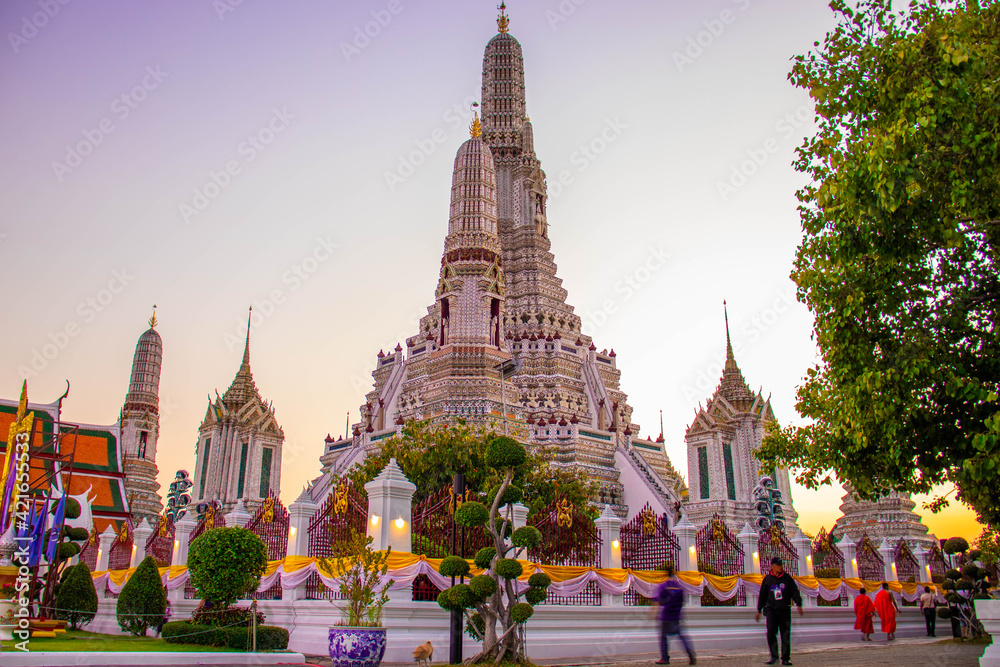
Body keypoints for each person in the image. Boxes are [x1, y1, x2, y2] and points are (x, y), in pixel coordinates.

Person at [755, 557, 803, 666]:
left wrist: (798, 603)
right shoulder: (767, 579)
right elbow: (763, 595)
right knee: (771, 633)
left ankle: (785, 658)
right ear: (772, 566)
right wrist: (759, 610)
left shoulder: (787, 579)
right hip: (771, 610)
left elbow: (794, 591)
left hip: (784, 610)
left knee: (785, 634)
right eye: (778, 565)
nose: (780, 567)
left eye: (781, 565)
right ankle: (774, 656)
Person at [654, 564, 696, 665]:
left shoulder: (663, 587)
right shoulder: (679, 588)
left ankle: (665, 658)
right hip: (676, 616)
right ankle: (690, 653)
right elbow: (682, 602)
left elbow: (659, 601)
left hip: (666, 616)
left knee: (663, 637)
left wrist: (654, 613)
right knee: (681, 636)